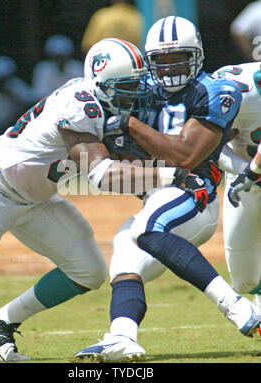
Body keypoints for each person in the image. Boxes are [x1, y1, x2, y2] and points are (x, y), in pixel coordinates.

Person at [0, 38, 196, 362]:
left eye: (136, 85)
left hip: (37, 198)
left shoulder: (106, 103)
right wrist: (170, 175)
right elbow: (102, 175)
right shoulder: (80, 103)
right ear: (101, 84)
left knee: (88, 271)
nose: (135, 94)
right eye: (125, 86)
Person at [74, 16, 261, 363]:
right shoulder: (141, 86)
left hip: (194, 194)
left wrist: (129, 124)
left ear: (197, 56)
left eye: (179, 58)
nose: (171, 67)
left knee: (147, 227)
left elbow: (186, 154)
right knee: (124, 250)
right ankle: (122, 337)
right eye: (162, 60)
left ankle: (239, 310)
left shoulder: (216, 90)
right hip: (159, 194)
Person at [212, 62, 261, 308]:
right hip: (243, 174)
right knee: (244, 279)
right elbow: (210, 143)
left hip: (252, 172)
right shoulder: (234, 89)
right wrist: (245, 172)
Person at [31, 35, 83, 100]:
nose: (60, 60)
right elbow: (40, 94)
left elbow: (82, 92)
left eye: (63, 56)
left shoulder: (77, 67)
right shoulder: (43, 68)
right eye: (56, 57)